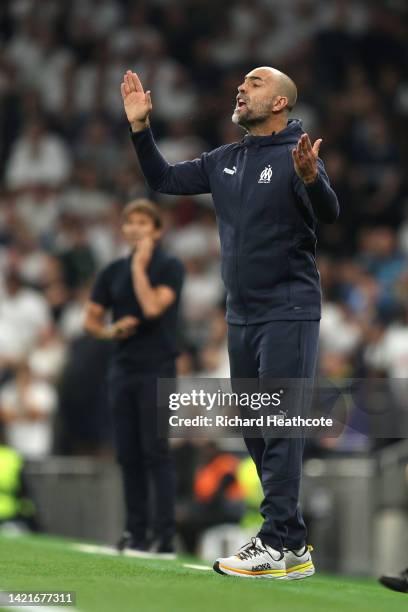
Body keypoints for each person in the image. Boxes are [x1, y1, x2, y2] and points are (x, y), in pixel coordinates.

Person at [121, 66, 339, 578]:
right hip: (241, 315)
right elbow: (163, 179)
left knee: (280, 424)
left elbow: (329, 213)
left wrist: (311, 178)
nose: (242, 88)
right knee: (254, 428)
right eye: (242, 82)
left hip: (288, 308)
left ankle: (274, 540)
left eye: (255, 82)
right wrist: (140, 129)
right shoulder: (225, 159)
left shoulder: (297, 153)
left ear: (281, 102)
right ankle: (294, 545)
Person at [84, 199, 184, 557]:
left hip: (157, 370)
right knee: (127, 455)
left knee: (156, 452)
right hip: (122, 370)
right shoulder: (111, 272)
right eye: (130, 223)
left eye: (143, 222)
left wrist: (140, 267)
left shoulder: (169, 266)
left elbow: (153, 307)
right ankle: (135, 532)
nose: (135, 229)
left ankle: (164, 537)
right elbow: (91, 320)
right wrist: (110, 332)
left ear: (156, 230)